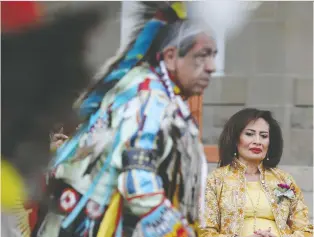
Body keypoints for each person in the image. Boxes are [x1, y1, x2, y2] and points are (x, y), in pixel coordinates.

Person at [33, 2, 216, 236]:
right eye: (202, 56)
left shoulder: (150, 90)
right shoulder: (149, 97)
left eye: (213, 56)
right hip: (87, 223)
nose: (211, 67)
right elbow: (138, 183)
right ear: (170, 56)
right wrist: (178, 231)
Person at [199, 108, 313, 237]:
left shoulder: (284, 180)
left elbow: (306, 231)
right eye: (249, 134)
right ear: (235, 139)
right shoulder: (215, 180)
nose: (257, 141)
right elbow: (205, 232)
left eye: (264, 136)